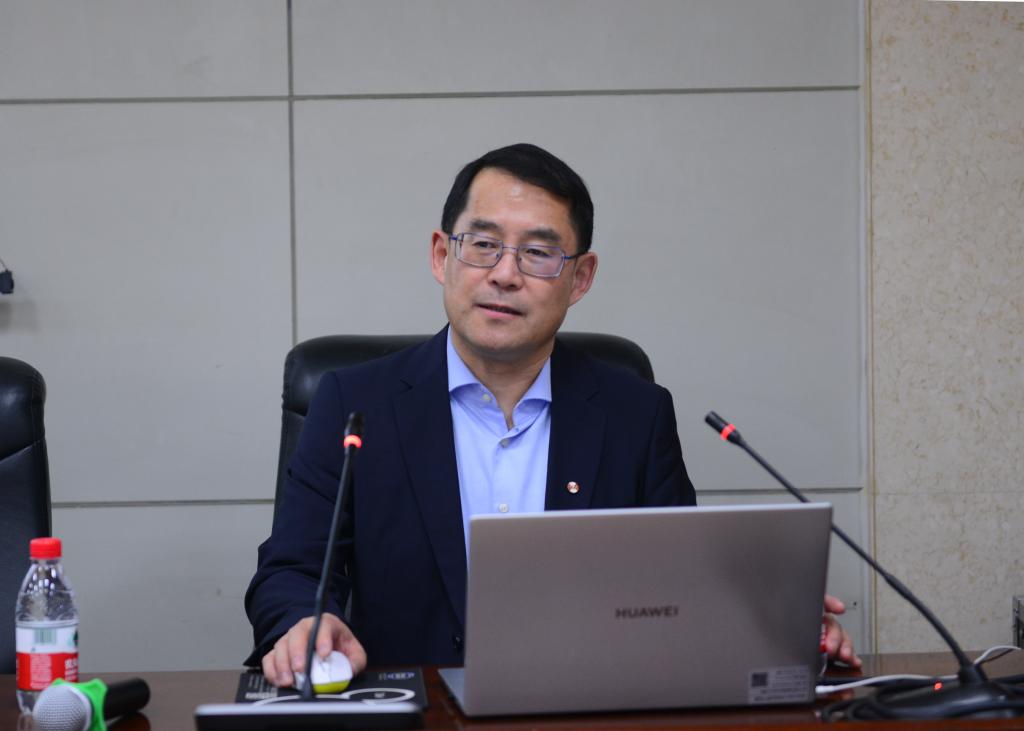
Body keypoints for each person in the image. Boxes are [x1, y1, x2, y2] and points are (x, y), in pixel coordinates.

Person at [245, 143, 859, 686]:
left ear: (580, 277)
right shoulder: (355, 404)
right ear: (441, 255)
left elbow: (679, 586)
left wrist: (774, 625)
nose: (504, 275)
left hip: (586, 710)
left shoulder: (634, 414)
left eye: (538, 253)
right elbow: (292, 568)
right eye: (483, 245)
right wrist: (306, 621)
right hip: (416, 712)